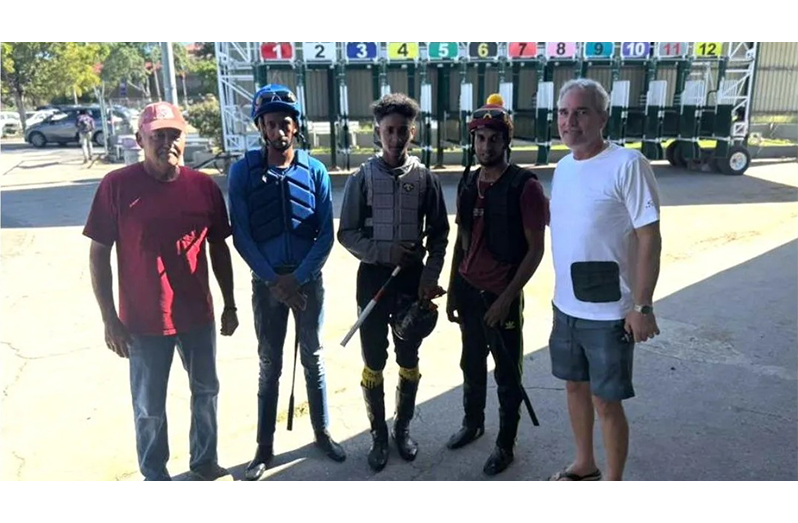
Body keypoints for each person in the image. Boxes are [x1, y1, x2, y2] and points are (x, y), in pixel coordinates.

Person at [84, 101, 239, 481]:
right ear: (140, 139)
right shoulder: (116, 186)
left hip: (197, 316)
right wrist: (109, 319)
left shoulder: (203, 188)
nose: (166, 142)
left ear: (184, 140)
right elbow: (98, 254)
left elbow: (219, 247)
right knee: (149, 406)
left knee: (206, 392)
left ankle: (204, 461)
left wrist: (230, 304)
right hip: (142, 321)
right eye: (157, 136)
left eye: (174, 135)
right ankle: (155, 472)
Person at [228, 84, 345, 482]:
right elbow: (241, 234)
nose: (279, 130)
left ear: (296, 128)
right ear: (261, 126)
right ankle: (264, 447)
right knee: (269, 364)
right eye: (271, 123)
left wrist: (298, 279)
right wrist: (273, 280)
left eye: (286, 123)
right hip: (267, 285)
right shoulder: (243, 171)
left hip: (307, 282)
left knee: (313, 359)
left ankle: (322, 432)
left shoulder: (314, 170)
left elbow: (325, 235)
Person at [547, 79, 662, 481]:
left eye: (581, 112)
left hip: (610, 312)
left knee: (606, 400)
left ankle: (613, 478)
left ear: (603, 117)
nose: (570, 122)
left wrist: (642, 306)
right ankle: (585, 463)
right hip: (565, 306)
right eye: (564, 112)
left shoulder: (628, 165)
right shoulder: (562, 168)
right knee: (574, 387)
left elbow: (649, 236)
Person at [338, 93, 449, 472]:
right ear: (377, 132)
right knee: (373, 361)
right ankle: (378, 438)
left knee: (408, 358)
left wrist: (429, 280)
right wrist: (385, 254)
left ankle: (402, 431)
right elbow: (346, 234)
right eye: (389, 131)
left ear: (412, 133)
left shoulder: (425, 179)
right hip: (372, 281)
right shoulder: (361, 178)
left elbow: (439, 236)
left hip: (411, 284)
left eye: (403, 131)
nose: (396, 138)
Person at [445, 94, 549, 475]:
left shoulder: (526, 187)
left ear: (507, 141)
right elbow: (462, 242)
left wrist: (506, 299)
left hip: (501, 298)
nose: (486, 146)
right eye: (480, 139)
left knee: (507, 374)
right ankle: (473, 425)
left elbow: (535, 251)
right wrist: (454, 291)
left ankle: (505, 445)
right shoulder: (469, 183)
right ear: (472, 142)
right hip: (470, 293)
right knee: (471, 365)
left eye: (494, 138)